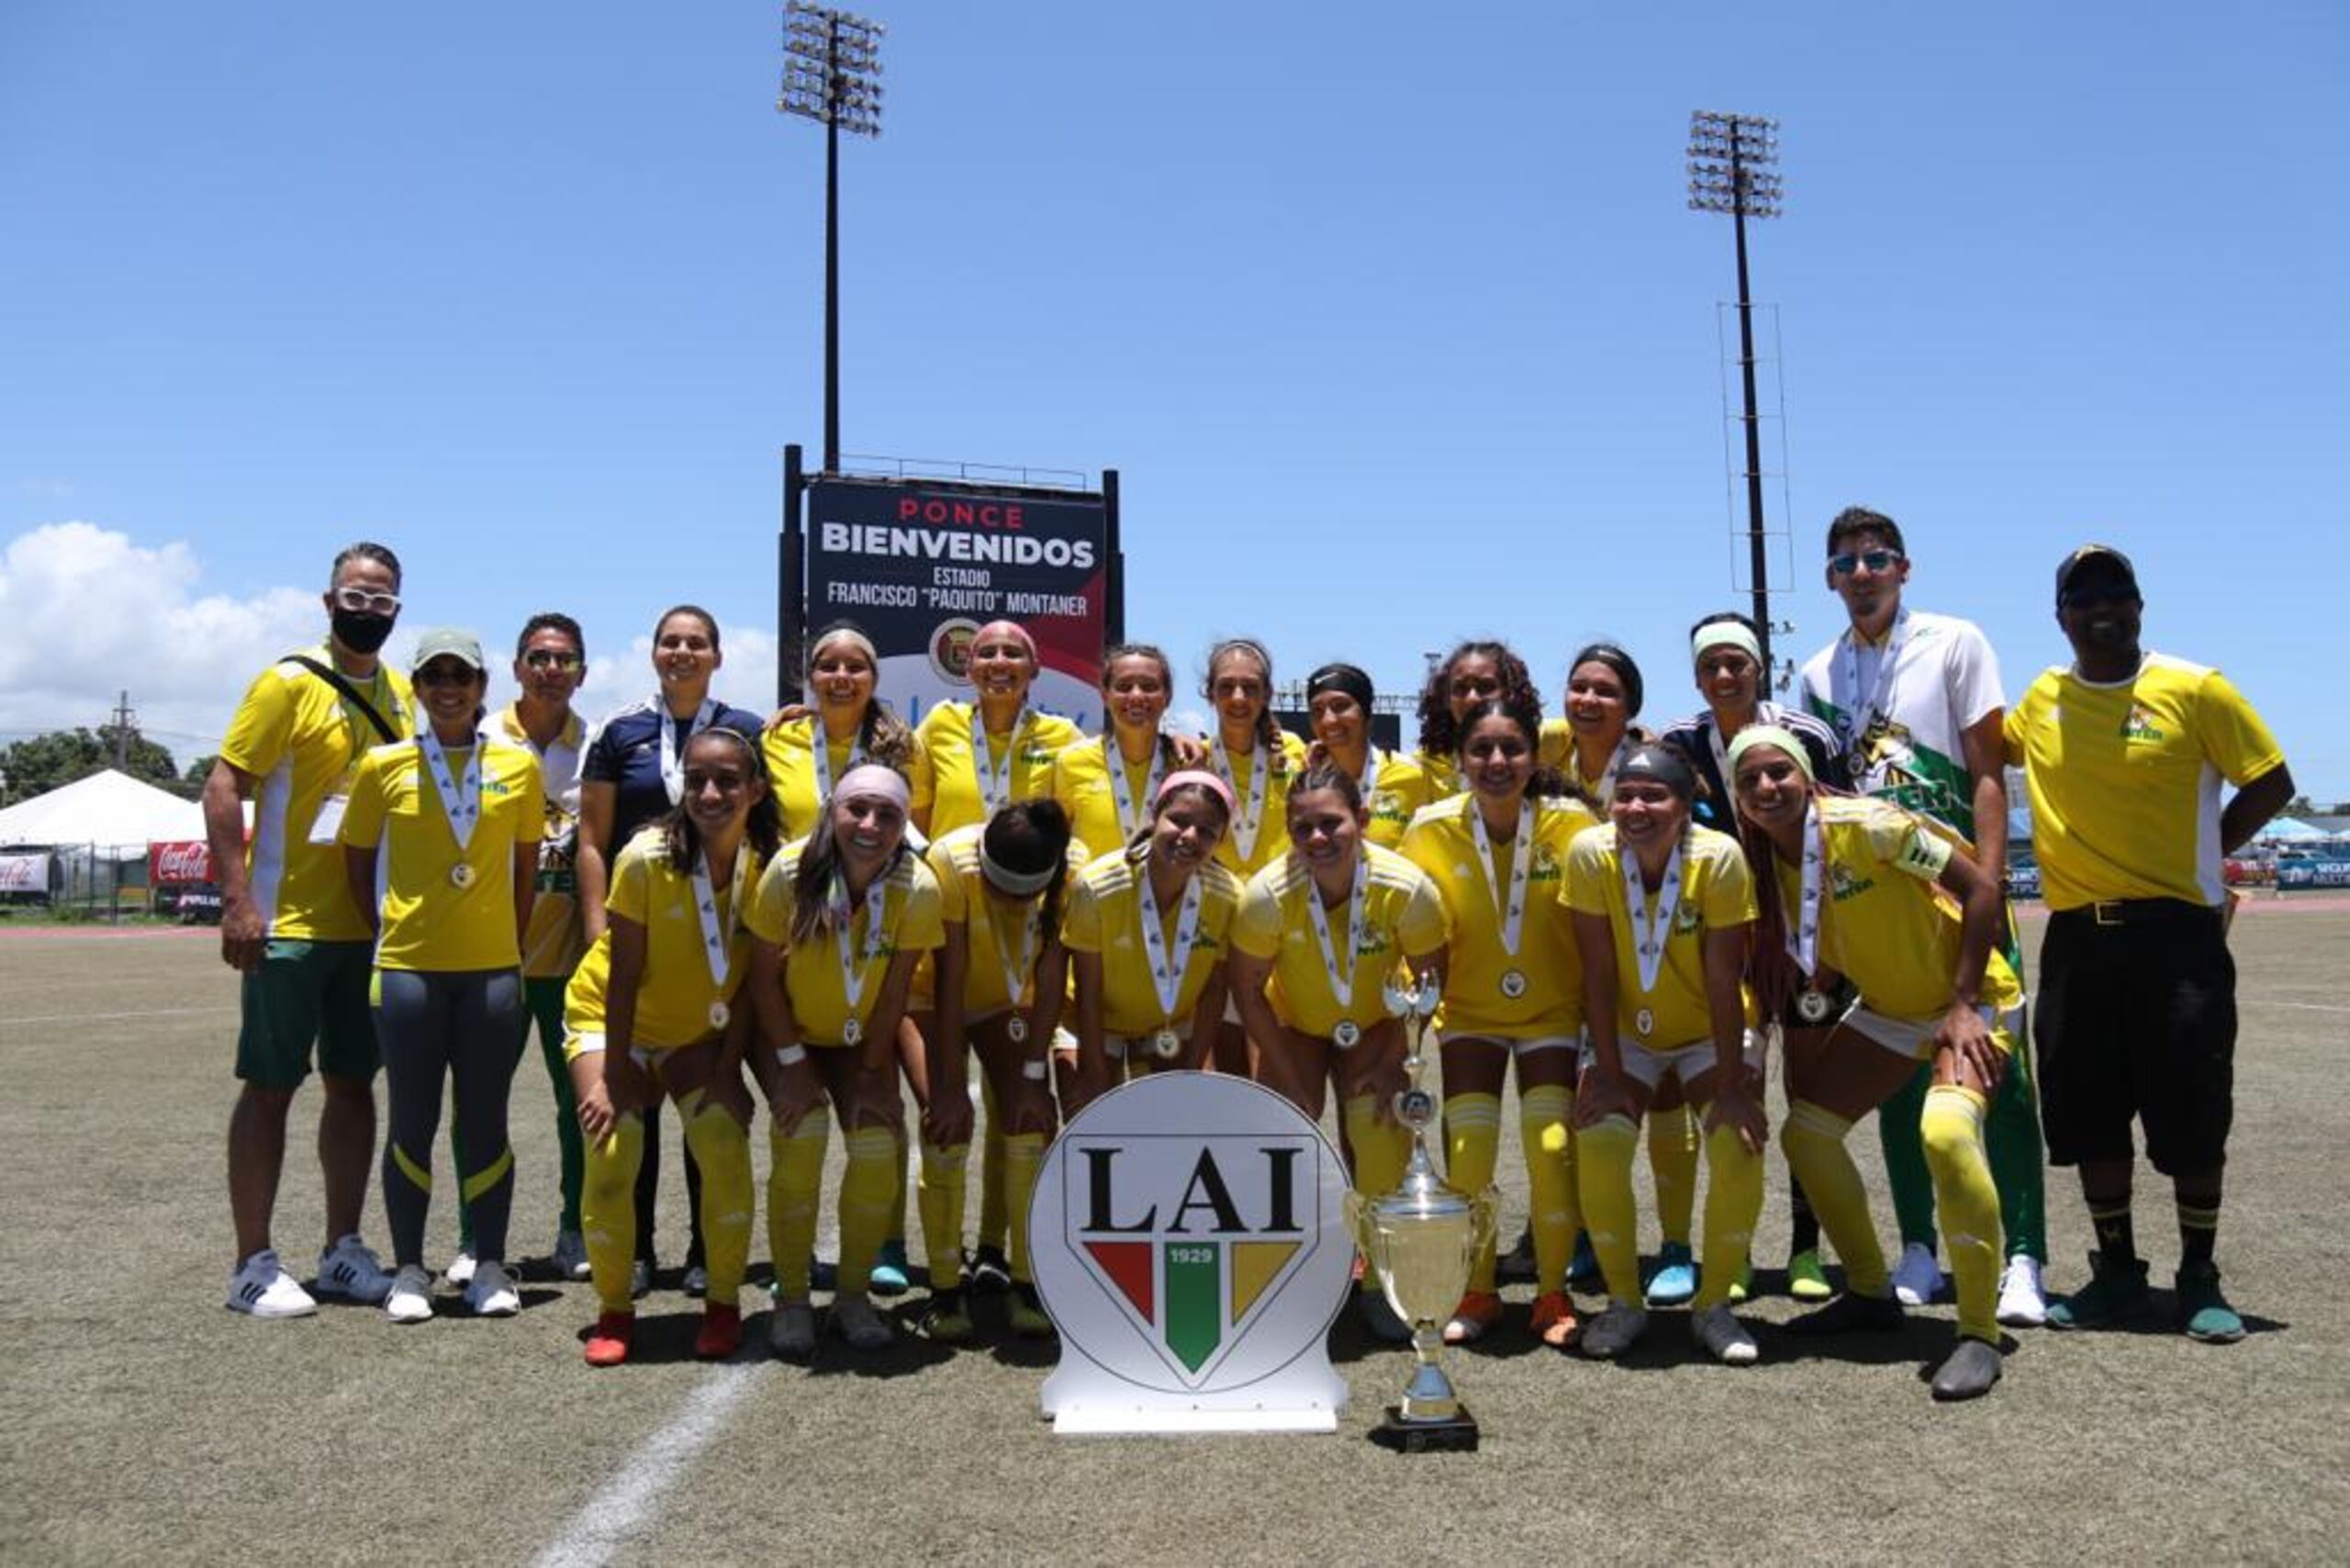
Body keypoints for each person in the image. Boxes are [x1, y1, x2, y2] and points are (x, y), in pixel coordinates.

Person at [2003, 544, 2292, 1342]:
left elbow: (2272, 779)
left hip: (2177, 939)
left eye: (2116, 591)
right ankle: (2117, 1272)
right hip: (2077, 940)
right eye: (2082, 594)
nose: (2101, 606)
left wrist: (2206, 851)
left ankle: (2199, 1274)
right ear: (2059, 616)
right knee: (2089, 1109)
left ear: (2140, 605)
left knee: (2192, 1109)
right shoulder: (2042, 699)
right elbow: (1981, 755)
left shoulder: (2195, 688)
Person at [1797, 507, 2050, 1325]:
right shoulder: (1815, 672)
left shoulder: (1955, 641)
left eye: (1876, 559)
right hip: (1880, 897)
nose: (1861, 574)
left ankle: (2022, 1257)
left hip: (1957, 882)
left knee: (1997, 1076)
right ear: (1831, 578)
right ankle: (1917, 1246)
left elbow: (1986, 774)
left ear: (1905, 568)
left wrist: (1991, 880)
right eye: (1845, 564)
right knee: (1901, 1072)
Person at [1727, 725, 2018, 1399]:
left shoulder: (1872, 825)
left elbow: (1981, 890)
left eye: (1779, 773)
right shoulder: (1765, 862)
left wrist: (1965, 1003)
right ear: (1738, 799)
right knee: (1807, 1133)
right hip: (1891, 1009)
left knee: (1943, 1134)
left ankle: (1977, 1332)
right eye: (1750, 781)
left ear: (1806, 776)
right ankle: (1868, 1291)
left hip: (1969, 1003)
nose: (1767, 789)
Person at [208, 542, 411, 1317]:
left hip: (365, 929)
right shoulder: (286, 682)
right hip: (286, 925)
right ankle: (252, 1263)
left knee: (354, 1086)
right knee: (269, 1088)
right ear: (329, 604)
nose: (367, 613)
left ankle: (343, 1250)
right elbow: (225, 783)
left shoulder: (401, 694)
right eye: (355, 599)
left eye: (382, 602)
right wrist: (237, 900)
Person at [338, 631, 543, 1323]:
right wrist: (391, 932)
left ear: (483, 686)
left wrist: (503, 943)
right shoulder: (382, 765)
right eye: (435, 676)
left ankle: (488, 1265)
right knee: (411, 1122)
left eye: (462, 675)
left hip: (490, 972)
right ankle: (410, 1272)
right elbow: (356, 862)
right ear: (418, 688)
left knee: (485, 1121)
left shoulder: (518, 766)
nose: (449, 687)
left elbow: (524, 872)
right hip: (406, 973)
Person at [565, 722, 776, 1366]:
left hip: (696, 1030)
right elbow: (622, 973)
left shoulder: (767, 868)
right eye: (697, 779)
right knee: (613, 1149)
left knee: (723, 1147)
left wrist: (725, 1070)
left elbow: (749, 984)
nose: (710, 792)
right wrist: (619, 1076)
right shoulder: (644, 857)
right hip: (611, 1018)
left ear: (757, 790)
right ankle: (614, 1311)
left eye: (727, 780)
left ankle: (721, 1305)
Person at [1657, 611, 1848, 1301]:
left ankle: (1805, 1249)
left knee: (1806, 1097)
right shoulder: (1680, 744)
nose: (1725, 676)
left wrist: (1825, 944)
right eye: (1711, 666)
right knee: (1733, 1087)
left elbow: (1838, 835)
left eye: (1737, 662)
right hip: (1724, 943)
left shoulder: (1810, 737)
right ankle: (1732, 1250)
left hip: (1804, 943)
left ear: (1760, 668)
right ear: (1697, 676)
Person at [577, 605, 766, 1299]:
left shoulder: (747, 728)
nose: (682, 652)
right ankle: (636, 1250)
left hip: (713, 939)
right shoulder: (619, 729)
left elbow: (766, 817)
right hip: (640, 915)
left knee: (708, 1106)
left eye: (696, 643)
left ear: (717, 654)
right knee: (631, 1112)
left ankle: (699, 1250)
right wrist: (601, 925)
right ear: (654, 652)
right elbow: (592, 836)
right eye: (670, 642)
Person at [1397, 700, 1597, 1347]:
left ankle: (1552, 1293)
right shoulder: (1428, 827)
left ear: (1535, 758)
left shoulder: (1571, 822)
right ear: (1459, 759)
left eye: (1511, 749)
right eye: (1481, 750)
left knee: (1552, 1148)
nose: (1496, 763)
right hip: (1471, 1014)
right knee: (1470, 1151)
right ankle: (1477, 1290)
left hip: (1551, 1012)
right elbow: (1405, 921)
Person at [1231, 764, 1449, 1342]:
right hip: (1296, 1024)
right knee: (1287, 1133)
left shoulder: (1407, 888)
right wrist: (1282, 1071)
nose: (1318, 839)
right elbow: (1249, 993)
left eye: (1332, 824)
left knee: (1375, 1126)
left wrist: (1398, 1053)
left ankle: (1381, 1284)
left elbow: (1431, 978)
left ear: (1364, 822)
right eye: (1303, 828)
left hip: (1376, 1023)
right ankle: (1292, 1276)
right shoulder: (1265, 897)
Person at [1565, 745, 1768, 1364]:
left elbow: (1723, 978)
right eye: (1625, 794)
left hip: (1710, 1029)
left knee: (1737, 1142)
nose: (1636, 807)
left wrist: (1733, 1086)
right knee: (1599, 1141)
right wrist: (1605, 1068)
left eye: (1654, 796)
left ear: (1685, 807)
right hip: (1624, 1031)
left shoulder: (1719, 858)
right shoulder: (1590, 854)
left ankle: (1713, 1306)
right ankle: (1623, 1302)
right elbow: (1597, 973)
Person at [745, 764, 945, 1358]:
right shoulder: (789, 870)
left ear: (905, 824)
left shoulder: (920, 886)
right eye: (857, 808)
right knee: (802, 1134)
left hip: (861, 1039)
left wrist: (872, 1071)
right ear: (832, 810)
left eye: (888, 815)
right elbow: (761, 981)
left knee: (880, 1144)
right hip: (788, 1031)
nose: (870, 824)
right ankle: (793, 1301)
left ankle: (853, 1297)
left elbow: (895, 991)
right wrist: (792, 1064)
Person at [908, 619, 1081, 1297]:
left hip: (1024, 929)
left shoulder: (1064, 740)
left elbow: (1061, 836)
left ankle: (1001, 1254)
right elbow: (919, 829)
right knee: (947, 1117)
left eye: (1014, 652)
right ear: (966, 665)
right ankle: (945, 1279)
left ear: (1035, 667)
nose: (1000, 662)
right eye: (986, 652)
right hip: (955, 917)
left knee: (1023, 1111)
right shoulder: (938, 731)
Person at [763, 622, 926, 1294]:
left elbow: (910, 831)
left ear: (874, 678)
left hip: (875, 923)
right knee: (794, 1123)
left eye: (854, 666)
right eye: (827, 665)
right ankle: (790, 1273)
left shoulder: (904, 746)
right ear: (811, 676)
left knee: (881, 1104)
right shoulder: (776, 737)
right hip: (794, 919)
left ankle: (883, 1242)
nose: (840, 676)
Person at [1551, 644, 1704, 1306]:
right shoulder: (1546, 753)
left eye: (1606, 692)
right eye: (1578, 688)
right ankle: (1584, 1232)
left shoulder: (1654, 760)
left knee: (1666, 1092)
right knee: (1581, 1096)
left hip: (1656, 939)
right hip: (1567, 943)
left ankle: (1675, 1246)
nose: (1588, 701)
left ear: (1632, 708)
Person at [445, 613, 591, 1285]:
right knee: (481, 1102)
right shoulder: (475, 739)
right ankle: (476, 1236)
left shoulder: (595, 744)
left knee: (581, 1104)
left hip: (567, 961)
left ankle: (575, 1229)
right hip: (488, 955)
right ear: (515, 668)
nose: (551, 669)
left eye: (564, 659)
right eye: (539, 657)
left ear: (582, 672)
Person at [907, 800, 1083, 1342]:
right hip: (935, 1000)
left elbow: (1053, 978)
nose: (1010, 902)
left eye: (1022, 895)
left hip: (1014, 1000)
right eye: (1000, 889)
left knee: (1029, 1122)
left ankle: (1019, 1279)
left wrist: (1034, 1074)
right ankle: (942, 1290)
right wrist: (949, 1085)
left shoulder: (1075, 870)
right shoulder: (950, 860)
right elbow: (950, 977)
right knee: (946, 1127)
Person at [1059, 772, 1240, 1111]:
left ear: (1220, 840)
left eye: (1207, 831)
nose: (1189, 836)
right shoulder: (1098, 886)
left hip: (1168, 1026)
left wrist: (1193, 1068)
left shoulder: (1228, 896)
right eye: (1179, 820)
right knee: (1089, 1121)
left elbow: (1215, 990)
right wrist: (1096, 1072)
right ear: (1155, 817)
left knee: (1173, 1120)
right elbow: (1087, 988)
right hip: (1092, 1023)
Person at [1196, 639, 1309, 1077]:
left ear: (1268, 694)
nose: (1238, 699)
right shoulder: (1191, 757)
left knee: (1275, 1080)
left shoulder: (1297, 754)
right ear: (1209, 693)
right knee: (1228, 1077)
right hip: (1215, 935)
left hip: (1280, 935)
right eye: (1226, 687)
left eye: (1250, 687)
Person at [1046, 644, 1199, 865]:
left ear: (1167, 696)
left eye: (1149, 686)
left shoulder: (1188, 761)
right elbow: (1058, 842)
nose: (1136, 696)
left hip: (1167, 898)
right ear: (1105, 696)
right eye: (1124, 686)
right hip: (1092, 897)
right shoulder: (1071, 762)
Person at [1303, 661, 1430, 848]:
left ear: (1367, 714)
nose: (1328, 720)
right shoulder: (1305, 781)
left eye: (1340, 706)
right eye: (1317, 710)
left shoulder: (1412, 776)